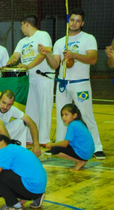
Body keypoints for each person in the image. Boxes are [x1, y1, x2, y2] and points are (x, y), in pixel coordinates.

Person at [39, 8, 105, 159]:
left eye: (77, 20)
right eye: (72, 20)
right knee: (63, 116)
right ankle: (59, 146)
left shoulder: (88, 38)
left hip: (81, 83)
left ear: (82, 23)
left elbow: (93, 59)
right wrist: (47, 54)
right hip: (63, 84)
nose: (74, 23)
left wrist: (74, 54)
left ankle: (97, 147)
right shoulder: (60, 42)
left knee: (87, 115)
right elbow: (55, 65)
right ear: (69, 22)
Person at [7, 13, 55, 146]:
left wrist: (27, 66)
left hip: (43, 78)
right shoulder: (22, 42)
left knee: (44, 109)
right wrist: (10, 61)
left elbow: (42, 55)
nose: (21, 28)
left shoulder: (43, 35)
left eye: (22, 25)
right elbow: (16, 55)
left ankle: (44, 139)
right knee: (30, 110)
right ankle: (30, 137)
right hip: (29, 79)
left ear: (26, 23)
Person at [45, 104, 94, 171]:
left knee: (54, 149)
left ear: (74, 115)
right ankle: (82, 160)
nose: (64, 117)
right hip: (88, 153)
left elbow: (65, 144)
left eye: (66, 115)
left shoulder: (72, 125)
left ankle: (79, 161)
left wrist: (52, 144)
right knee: (59, 146)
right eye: (62, 115)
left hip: (83, 153)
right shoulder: (78, 122)